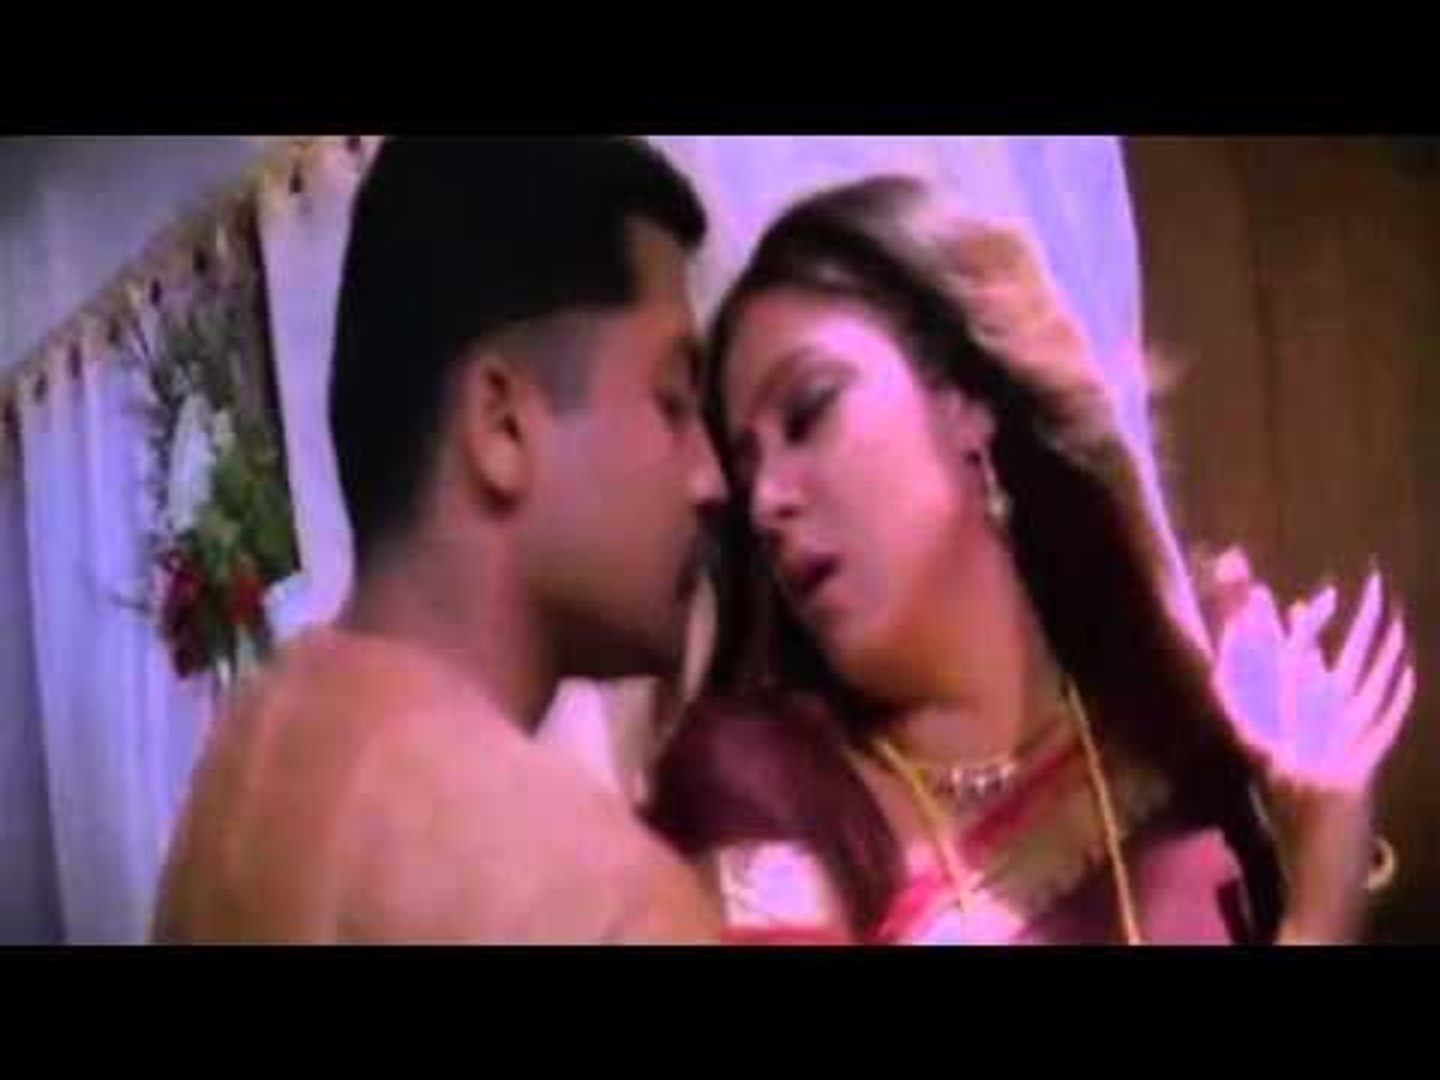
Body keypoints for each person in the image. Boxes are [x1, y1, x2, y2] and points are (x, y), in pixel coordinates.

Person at [648, 175, 1414, 944]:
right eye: (746, 470)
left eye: (809, 412)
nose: (766, 501)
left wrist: (1311, 808)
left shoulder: (1155, 693)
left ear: (963, 401)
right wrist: (1324, 895)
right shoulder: (761, 794)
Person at [152, 137, 727, 943]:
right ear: (501, 426)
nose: (711, 479)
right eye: (671, 401)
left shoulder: (250, 760)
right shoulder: (600, 902)